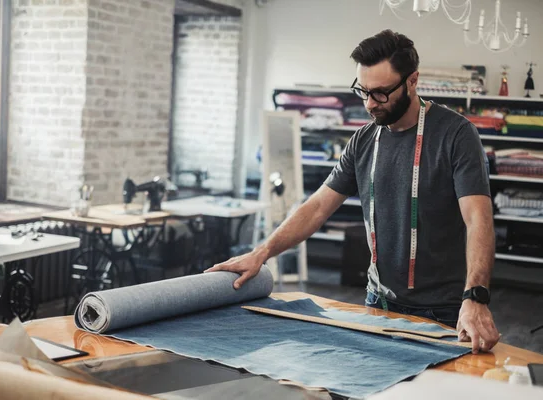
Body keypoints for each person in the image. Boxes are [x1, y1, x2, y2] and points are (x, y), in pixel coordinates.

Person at [205, 29, 500, 354]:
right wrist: (261, 253)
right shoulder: (363, 140)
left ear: (412, 81)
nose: (370, 104)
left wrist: (475, 296)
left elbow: (478, 220)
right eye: (363, 91)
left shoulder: (456, 135)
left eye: (381, 93)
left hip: (443, 309)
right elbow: (317, 207)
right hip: (378, 301)